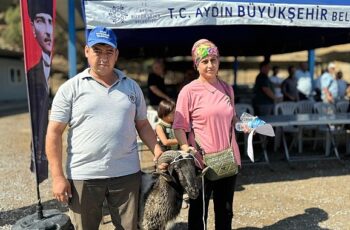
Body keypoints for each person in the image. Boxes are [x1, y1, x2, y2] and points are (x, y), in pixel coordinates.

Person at [45, 26, 163, 230]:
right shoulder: (71, 88)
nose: (104, 57)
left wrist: (158, 151)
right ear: (86, 51)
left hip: (127, 175)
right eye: (98, 50)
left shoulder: (132, 87)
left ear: (116, 54)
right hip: (84, 176)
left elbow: (142, 125)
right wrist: (57, 177)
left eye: (109, 51)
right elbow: (54, 133)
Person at [173, 39, 242, 230]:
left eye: (214, 59)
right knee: (198, 212)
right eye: (204, 61)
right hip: (201, 162)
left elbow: (232, 117)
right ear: (196, 64)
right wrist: (185, 147)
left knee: (226, 210)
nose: (210, 65)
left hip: (228, 159)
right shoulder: (188, 91)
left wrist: (244, 124)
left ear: (219, 61)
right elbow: (179, 126)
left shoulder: (227, 88)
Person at [26, 0, 53, 182]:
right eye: (40, 21)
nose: (47, 29)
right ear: (32, 27)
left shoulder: (50, 71)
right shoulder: (32, 74)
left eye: (50, 21)